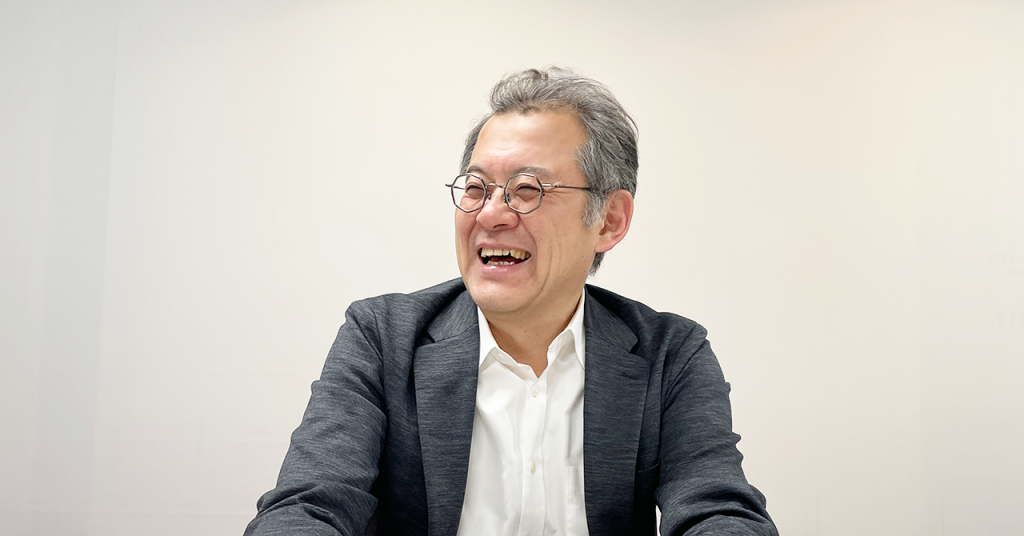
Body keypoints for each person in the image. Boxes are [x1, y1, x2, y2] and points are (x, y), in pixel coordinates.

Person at [245, 67, 777, 536]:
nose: (490, 214)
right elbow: (309, 505)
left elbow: (717, 509)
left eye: (527, 190)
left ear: (609, 220)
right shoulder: (382, 338)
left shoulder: (670, 354)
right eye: (476, 188)